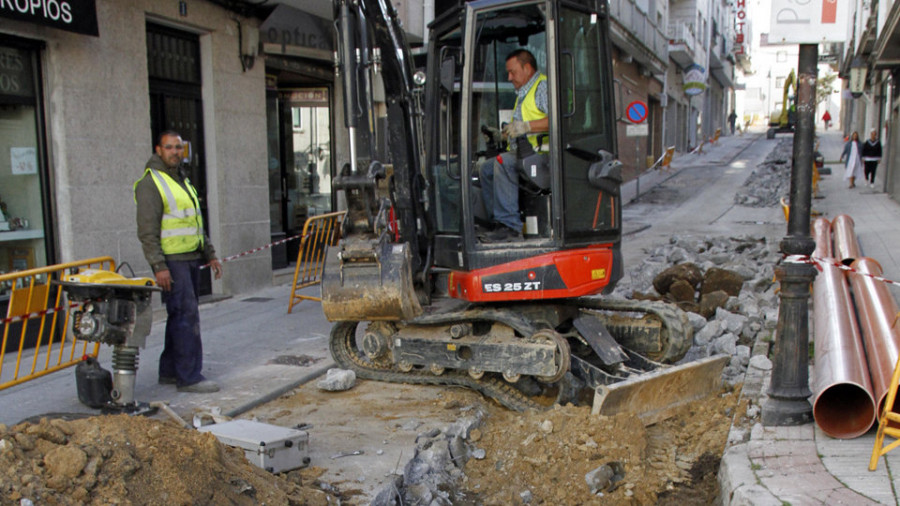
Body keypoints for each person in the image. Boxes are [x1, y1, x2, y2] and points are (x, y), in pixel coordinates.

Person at [134, 130, 223, 393]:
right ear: (158, 150)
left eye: (179, 147)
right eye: (170, 147)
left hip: (190, 258)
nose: (175, 152)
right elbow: (147, 232)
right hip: (173, 262)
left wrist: (210, 254)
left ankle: (170, 371)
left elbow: (195, 221)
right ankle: (189, 376)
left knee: (178, 316)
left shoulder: (181, 180)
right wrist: (159, 266)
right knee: (187, 317)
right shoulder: (151, 183)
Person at [480, 49, 549, 242]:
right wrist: (501, 135)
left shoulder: (541, 87)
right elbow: (517, 128)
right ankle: (497, 222)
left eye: (512, 72)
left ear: (527, 68)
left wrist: (526, 126)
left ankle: (510, 226)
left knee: (502, 162)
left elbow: (556, 120)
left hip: (542, 155)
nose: (509, 77)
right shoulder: (523, 93)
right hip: (524, 152)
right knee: (486, 168)